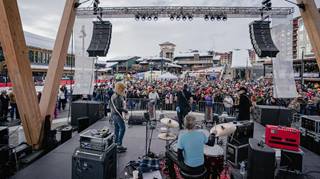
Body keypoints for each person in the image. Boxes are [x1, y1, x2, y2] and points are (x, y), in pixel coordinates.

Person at [110, 82, 128, 153]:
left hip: (114, 115)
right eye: (123, 88)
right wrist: (124, 110)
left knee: (117, 129)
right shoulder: (117, 96)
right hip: (117, 115)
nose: (124, 90)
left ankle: (116, 144)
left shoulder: (115, 95)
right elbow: (117, 108)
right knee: (122, 128)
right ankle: (119, 144)